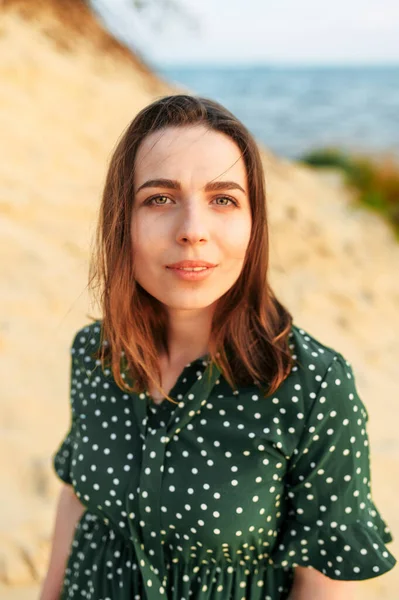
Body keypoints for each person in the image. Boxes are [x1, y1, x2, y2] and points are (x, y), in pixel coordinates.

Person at [40, 95, 396, 600]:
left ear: (254, 225)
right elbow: (76, 496)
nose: (192, 232)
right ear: (124, 221)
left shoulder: (312, 386)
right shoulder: (96, 352)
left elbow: (323, 581)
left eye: (223, 200)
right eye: (159, 199)